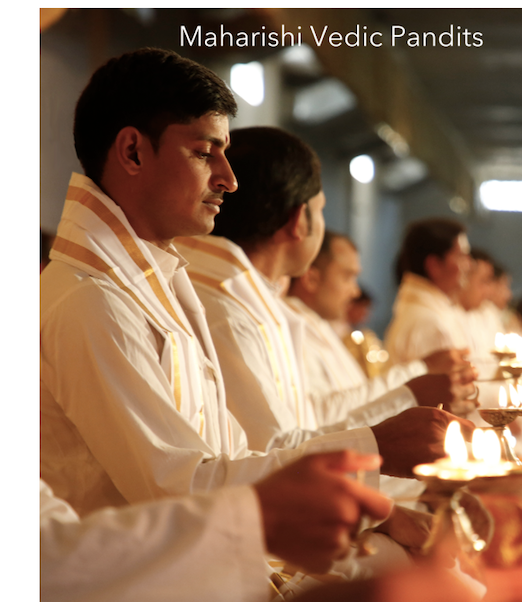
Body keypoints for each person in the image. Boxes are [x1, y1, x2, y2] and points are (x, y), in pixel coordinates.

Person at [40, 48, 471, 532]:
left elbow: (236, 453)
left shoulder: (157, 282)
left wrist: (377, 511)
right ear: (133, 152)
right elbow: (183, 487)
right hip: (148, 576)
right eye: (204, 153)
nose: (228, 179)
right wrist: (376, 446)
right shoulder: (93, 301)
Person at [41, 450, 392, 602]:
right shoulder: (94, 321)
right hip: (147, 593)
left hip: (158, 578)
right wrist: (261, 517)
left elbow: (234, 449)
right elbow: (175, 479)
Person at [286, 230, 478, 419]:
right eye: (347, 276)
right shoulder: (292, 332)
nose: (355, 291)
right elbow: (322, 415)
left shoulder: (317, 325)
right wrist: (422, 369)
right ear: (311, 279)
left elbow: (354, 401)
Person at [384, 217, 474, 366]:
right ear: (434, 265)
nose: (469, 265)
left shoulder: (432, 310)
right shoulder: (429, 323)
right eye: (461, 256)